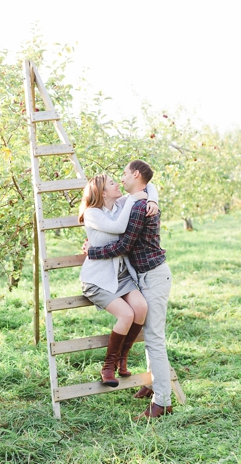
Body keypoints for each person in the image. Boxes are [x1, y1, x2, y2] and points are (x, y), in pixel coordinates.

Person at [83, 159, 174, 419]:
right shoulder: (137, 200)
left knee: (154, 339)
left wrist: (93, 251)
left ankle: (162, 402)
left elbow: (121, 246)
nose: (121, 178)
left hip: (152, 276)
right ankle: (150, 384)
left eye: (123, 174)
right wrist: (150, 196)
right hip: (142, 276)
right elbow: (149, 186)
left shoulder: (137, 206)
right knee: (149, 330)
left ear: (135, 174)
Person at [78, 174, 158, 387]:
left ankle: (123, 358)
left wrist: (153, 201)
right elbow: (119, 228)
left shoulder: (118, 204)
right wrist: (133, 200)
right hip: (98, 279)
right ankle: (108, 367)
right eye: (112, 183)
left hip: (121, 275)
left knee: (141, 308)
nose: (118, 184)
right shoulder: (92, 213)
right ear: (102, 192)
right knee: (127, 314)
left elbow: (149, 185)